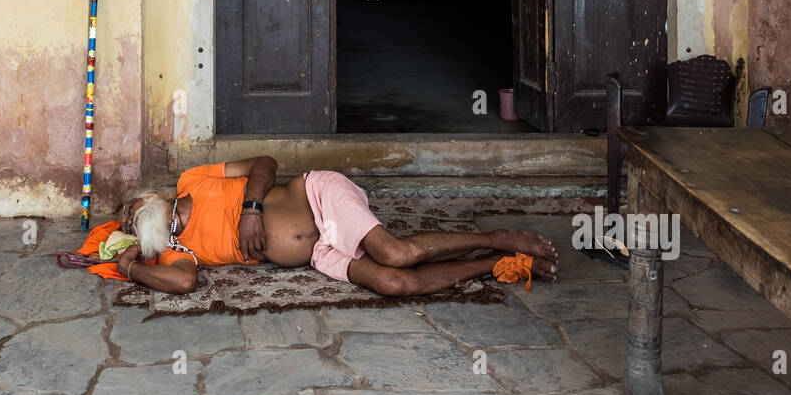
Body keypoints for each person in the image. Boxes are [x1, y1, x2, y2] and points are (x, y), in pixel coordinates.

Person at [113, 155, 558, 296]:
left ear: (151, 197)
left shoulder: (191, 180)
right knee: (393, 283)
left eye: (130, 204)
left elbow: (266, 163)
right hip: (319, 251)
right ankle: (498, 263)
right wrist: (130, 269)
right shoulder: (174, 249)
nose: (132, 211)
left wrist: (251, 207)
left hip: (317, 196)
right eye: (128, 220)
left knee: (396, 253)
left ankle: (494, 237)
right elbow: (183, 283)